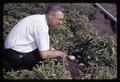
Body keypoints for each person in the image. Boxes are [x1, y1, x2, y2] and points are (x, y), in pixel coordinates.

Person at [4, 4, 66, 70]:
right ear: (50, 16)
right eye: (59, 19)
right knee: (48, 61)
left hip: (11, 49)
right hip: (14, 55)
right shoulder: (42, 26)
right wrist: (60, 53)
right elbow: (44, 55)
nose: (61, 23)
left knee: (49, 53)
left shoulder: (38, 18)